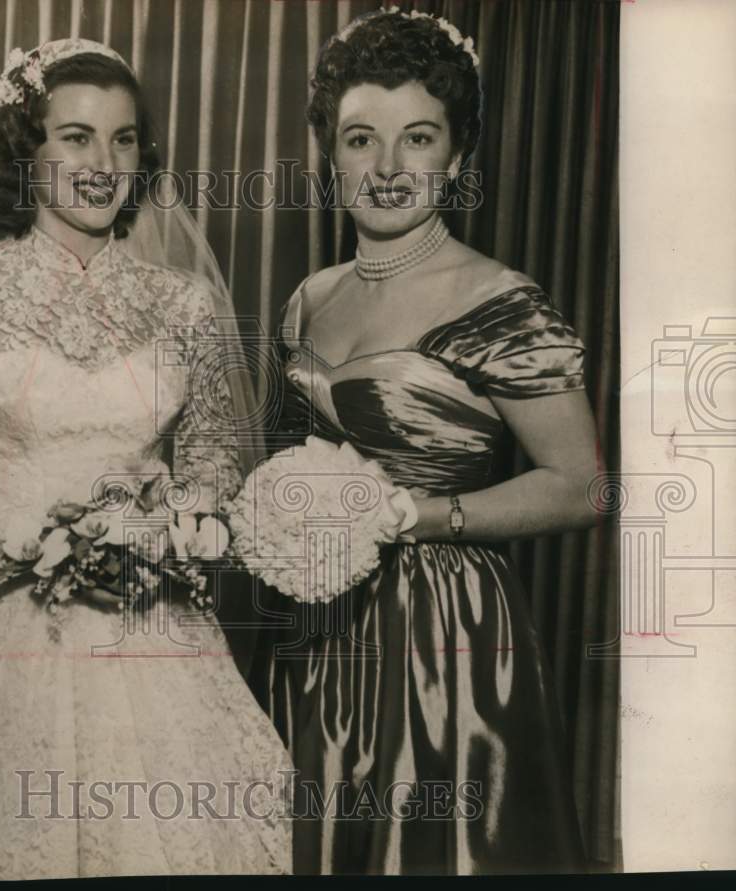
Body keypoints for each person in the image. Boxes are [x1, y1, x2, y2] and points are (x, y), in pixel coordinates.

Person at [0, 38, 291, 880]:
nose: (101, 162)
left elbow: (218, 472)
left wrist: (150, 534)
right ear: (27, 148)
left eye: (123, 140)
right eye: (75, 136)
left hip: (154, 629)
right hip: (2, 626)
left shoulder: (181, 304)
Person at [247, 9, 598, 875]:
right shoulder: (309, 299)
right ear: (330, 154)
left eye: (419, 137)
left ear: (459, 155)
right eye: (362, 139)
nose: (390, 168)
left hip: (449, 638)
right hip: (318, 626)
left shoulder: (503, 299)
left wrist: (415, 515)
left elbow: (582, 485)